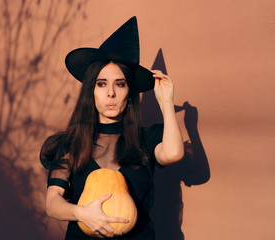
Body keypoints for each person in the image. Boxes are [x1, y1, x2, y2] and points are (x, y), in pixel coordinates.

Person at [40, 16, 184, 239]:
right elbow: (52, 203)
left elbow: (173, 153)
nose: (111, 93)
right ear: (91, 91)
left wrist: (165, 102)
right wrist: (82, 213)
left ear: (130, 92)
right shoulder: (71, 143)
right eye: (101, 84)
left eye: (120, 84)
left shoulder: (146, 139)